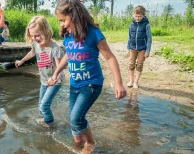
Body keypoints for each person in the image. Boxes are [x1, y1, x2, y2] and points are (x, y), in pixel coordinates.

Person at [47, 0, 126, 153]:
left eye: (64, 20)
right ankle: (78, 142)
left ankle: (90, 142)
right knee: (73, 118)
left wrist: (119, 83)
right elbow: (68, 56)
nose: (62, 24)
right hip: (75, 85)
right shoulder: (68, 35)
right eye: (61, 21)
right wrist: (56, 73)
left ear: (75, 15)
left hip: (91, 84)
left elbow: (110, 57)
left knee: (76, 118)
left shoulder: (93, 34)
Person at [15, 16, 65, 128]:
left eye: (37, 35)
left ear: (46, 31)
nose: (35, 38)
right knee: (40, 106)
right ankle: (44, 120)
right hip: (44, 80)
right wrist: (22, 60)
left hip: (55, 80)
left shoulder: (55, 48)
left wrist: (54, 78)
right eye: (32, 36)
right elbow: (32, 52)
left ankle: (50, 124)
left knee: (44, 106)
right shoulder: (36, 44)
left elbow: (60, 67)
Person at [127, 5, 152, 89]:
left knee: (139, 65)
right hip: (132, 48)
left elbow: (149, 39)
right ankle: (131, 81)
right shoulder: (131, 25)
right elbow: (129, 37)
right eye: (136, 16)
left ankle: (136, 82)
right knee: (131, 64)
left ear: (143, 15)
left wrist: (147, 51)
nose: (138, 18)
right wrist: (128, 48)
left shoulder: (146, 25)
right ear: (134, 15)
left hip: (142, 49)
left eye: (140, 16)